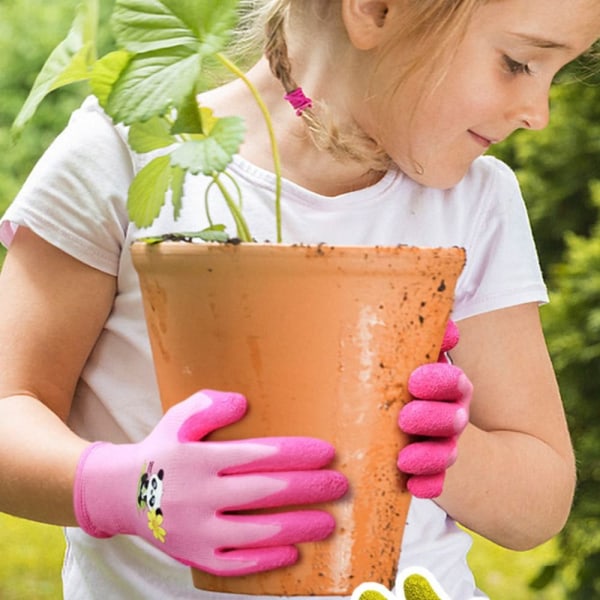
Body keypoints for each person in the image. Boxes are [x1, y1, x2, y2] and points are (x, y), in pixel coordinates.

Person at [1, 0, 598, 598]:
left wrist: (445, 449)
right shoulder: (123, 156)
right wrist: (133, 489)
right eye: (518, 63)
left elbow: (536, 504)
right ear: (375, 10)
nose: (537, 113)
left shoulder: (476, 203)